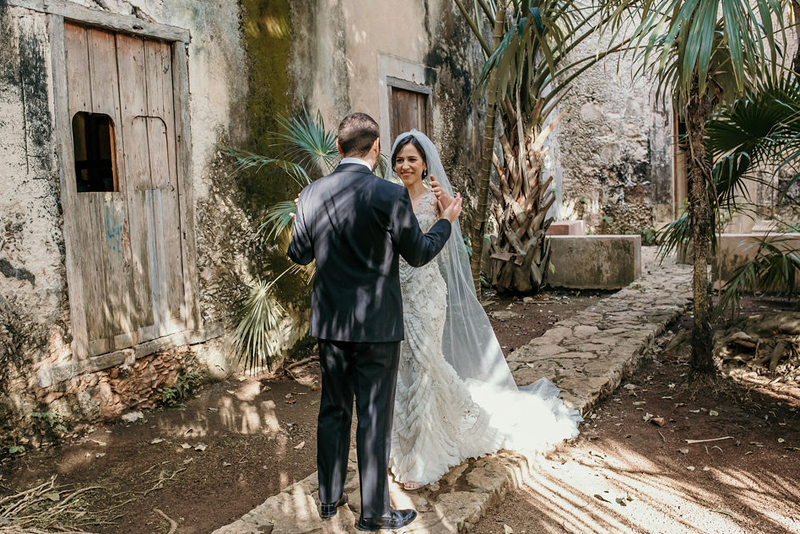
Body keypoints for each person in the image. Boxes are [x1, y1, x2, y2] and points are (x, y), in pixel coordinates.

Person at [287, 114, 464, 531]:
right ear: (376, 147)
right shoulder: (389, 194)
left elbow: (298, 254)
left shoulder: (311, 193)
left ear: (337, 147)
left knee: (333, 410)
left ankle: (329, 501)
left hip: (331, 326)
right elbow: (418, 254)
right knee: (373, 415)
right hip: (379, 328)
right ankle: (375, 513)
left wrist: (300, 216)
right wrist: (446, 222)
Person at [388, 130, 582, 490]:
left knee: (425, 363)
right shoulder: (388, 199)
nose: (404, 166)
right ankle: (403, 443)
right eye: (399, 159)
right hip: (397, 297)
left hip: (427, 295)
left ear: (425, 163)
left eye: (411, 159)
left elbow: (443, 250)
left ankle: (423, 455)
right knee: (406, 367)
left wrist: (447, 216)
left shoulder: (437, 200)